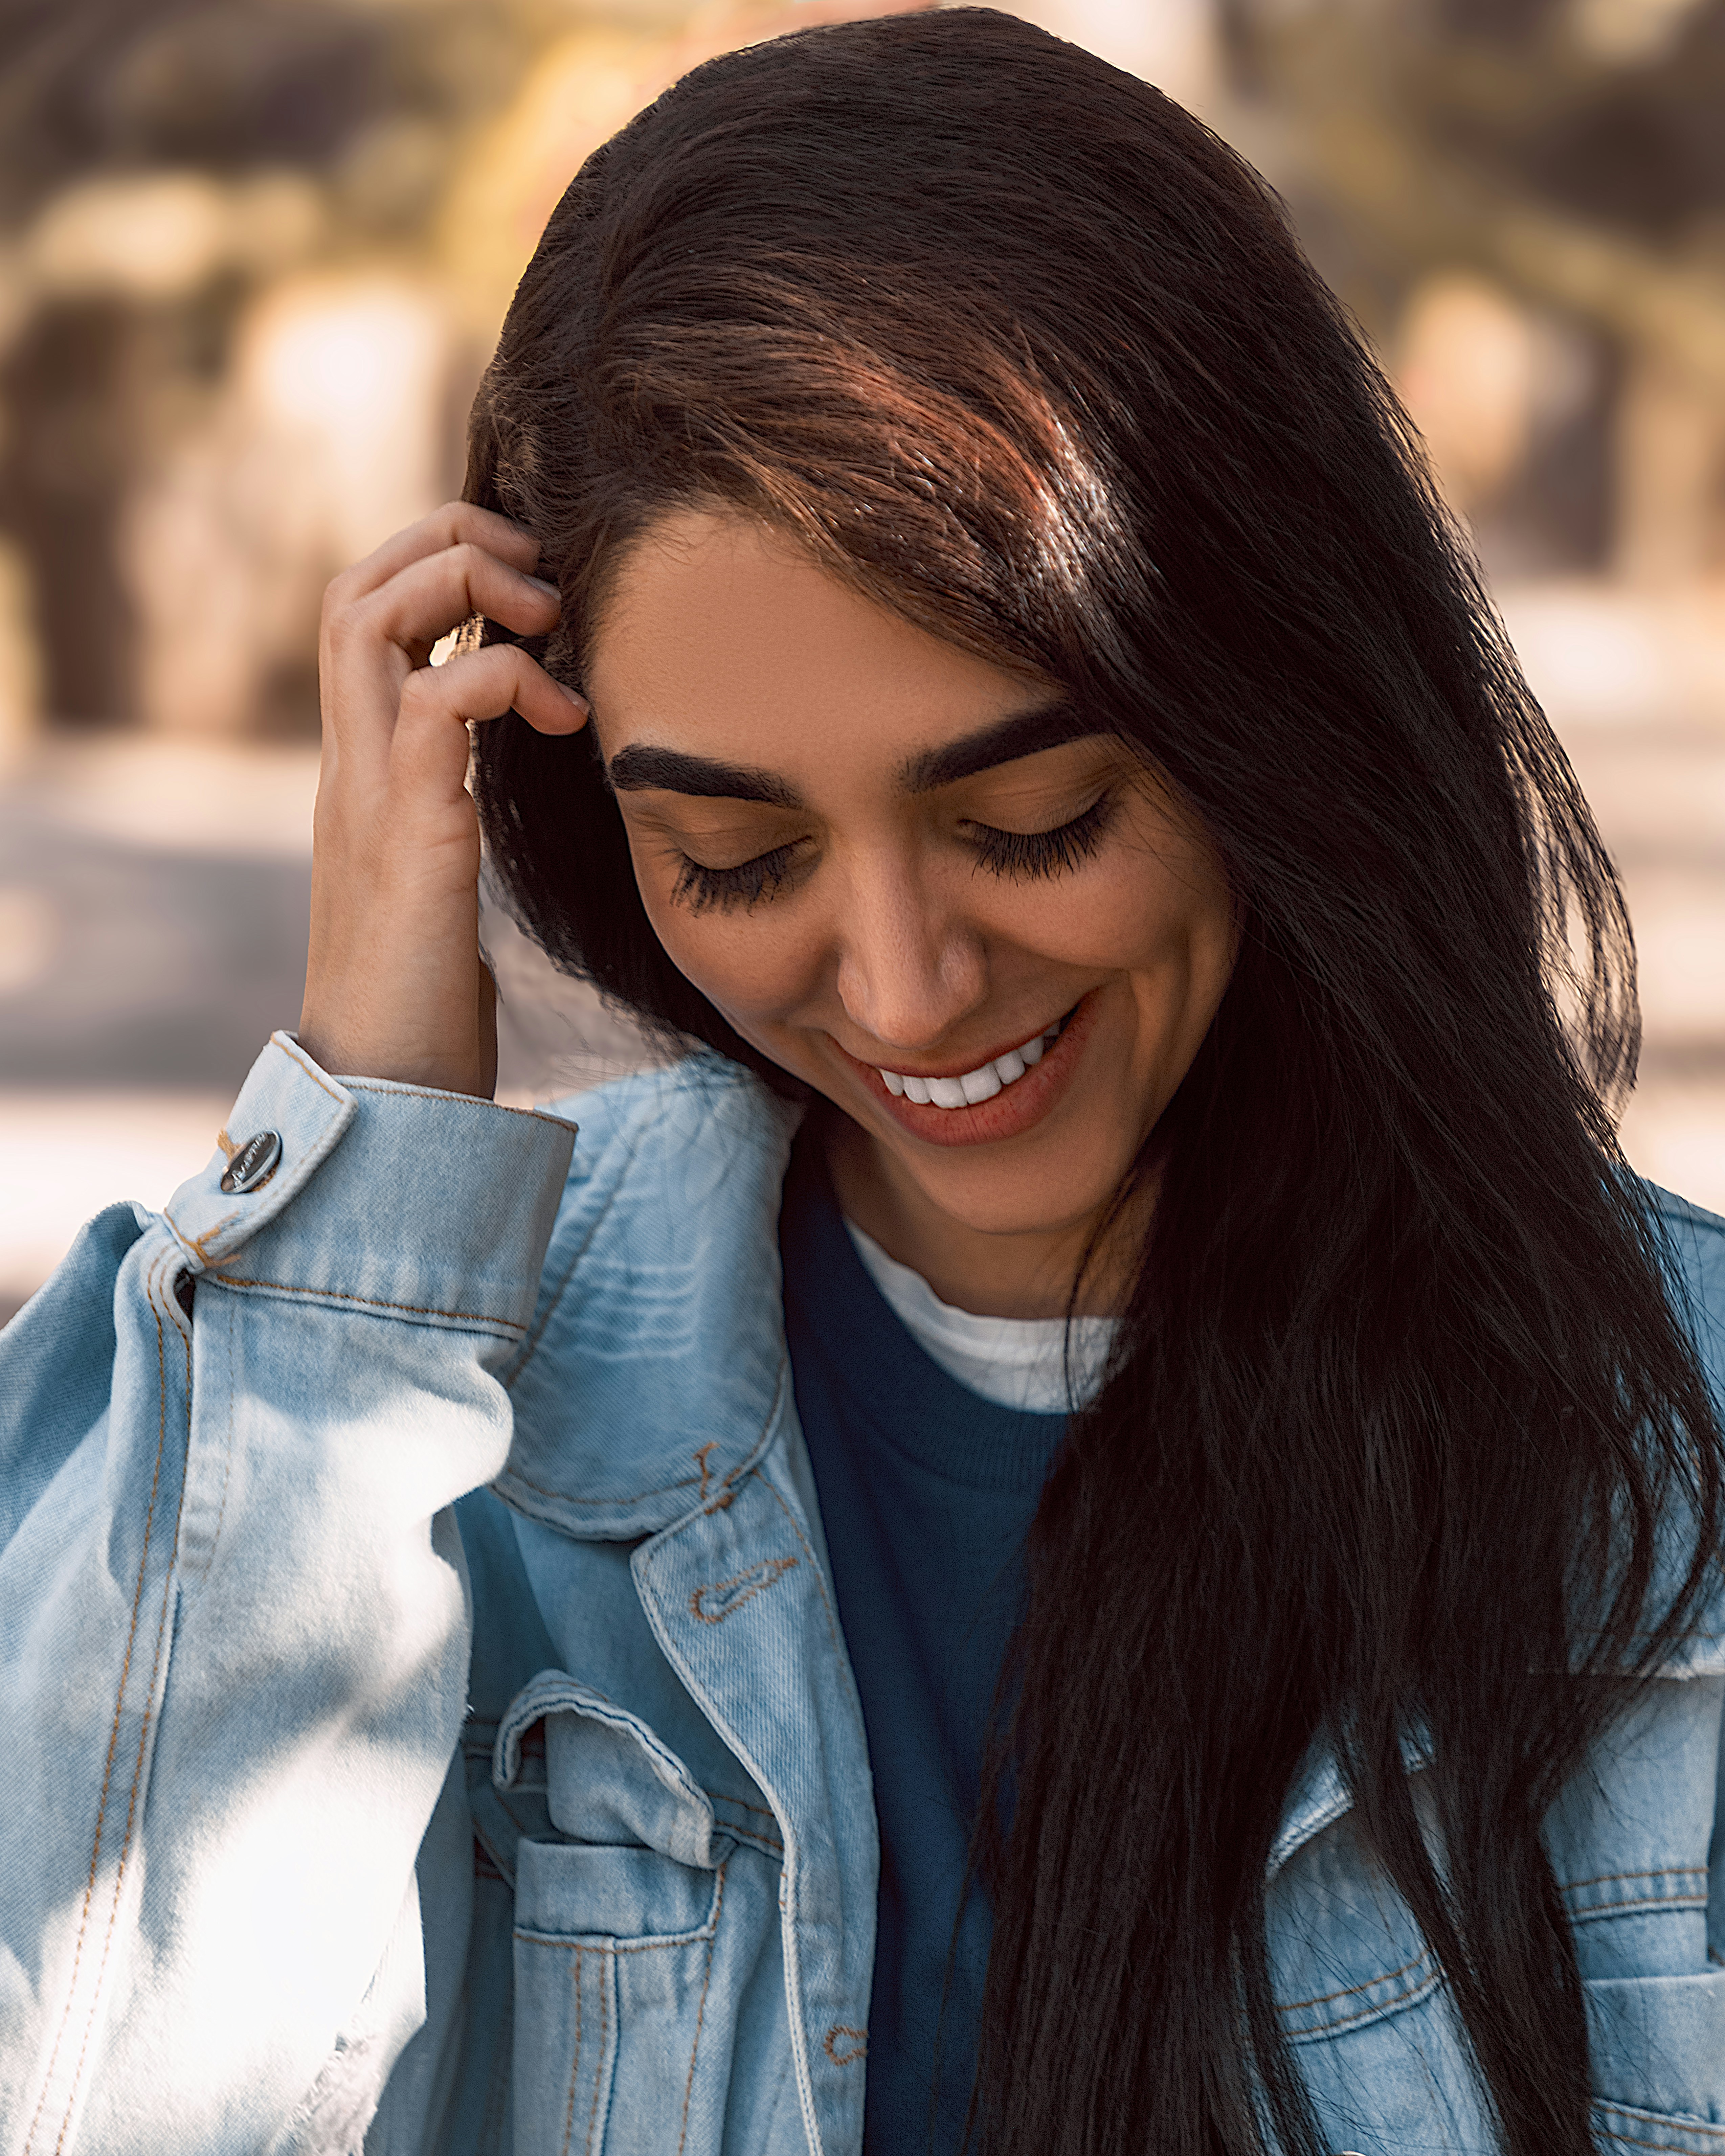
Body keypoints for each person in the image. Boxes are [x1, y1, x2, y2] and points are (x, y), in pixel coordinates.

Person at [4, 10, 1724, 2154]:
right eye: (737, 857)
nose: (905, 990)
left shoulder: (1684, 1465)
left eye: (1036, 821)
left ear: (1273, 717)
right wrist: (362, 1175)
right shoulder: (369, 1430)